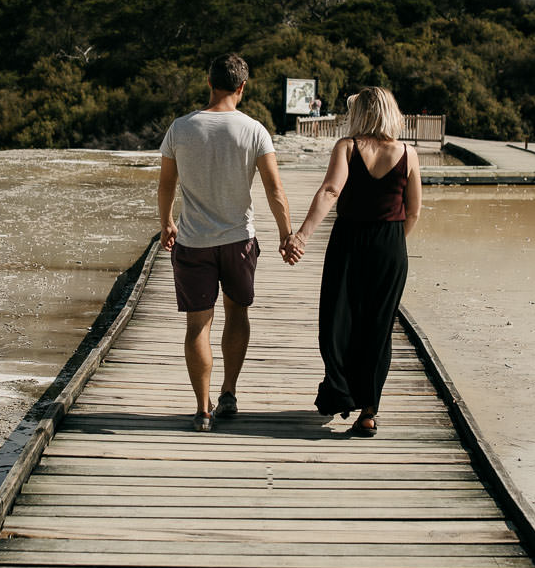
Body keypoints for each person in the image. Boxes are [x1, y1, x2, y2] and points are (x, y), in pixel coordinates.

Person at [157, 54, 296, 431]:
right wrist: (286, 235)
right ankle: (228, 393)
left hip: (194, 242)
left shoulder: (180, 128)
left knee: (197, 325)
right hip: (239, 241)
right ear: (243, 87)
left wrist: (167, 221)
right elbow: (274, 189)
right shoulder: (254, 131)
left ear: (209, 82)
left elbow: (167, 183)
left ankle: (202, 409)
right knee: (237, 314)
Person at [285, 87, 421, 437]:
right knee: (378, 329)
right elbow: (414, 210)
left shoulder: (347, 147)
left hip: (348, 241)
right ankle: (368, 413)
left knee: (337, 320)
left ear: (360, 114)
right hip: (391, 245)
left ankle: (342, 390)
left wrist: (301, 236)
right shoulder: (409, 153)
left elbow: (330, 191)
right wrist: (391, 246)